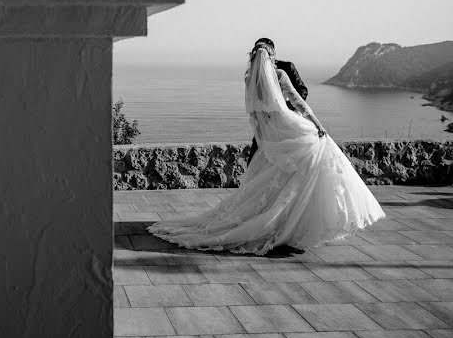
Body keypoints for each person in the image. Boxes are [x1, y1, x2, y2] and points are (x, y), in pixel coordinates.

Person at [147, 40, 385, 255]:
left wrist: (263, 139)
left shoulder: (249, 77)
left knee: (280, 181)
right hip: (289, 129)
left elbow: (254, 114)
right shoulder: (279, 74)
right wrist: (318, 124)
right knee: (314, 161)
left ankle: (286, 223)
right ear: (271, 55)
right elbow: (298, 101)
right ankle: (297, 225)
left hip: (268, 137)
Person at [247, 38, 307, 164]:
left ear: (272, 51)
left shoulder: (286, 68)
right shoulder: (252, 74)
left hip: (287, 121)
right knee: (254, 161)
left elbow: (302, 90)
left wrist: (284, 108)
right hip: (265, 124)